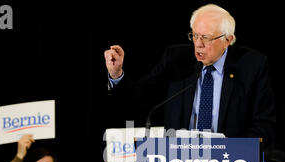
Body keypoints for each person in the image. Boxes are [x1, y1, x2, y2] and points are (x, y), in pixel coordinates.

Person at [104, 4, 276, 151]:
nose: (198, 44)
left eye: (206, 38)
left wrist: (230, 150)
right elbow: (140, 97)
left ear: (227, 40)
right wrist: (117, 74)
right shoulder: (176, 59)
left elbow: (264, 125)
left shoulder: (252, 66)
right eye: (195, 35)